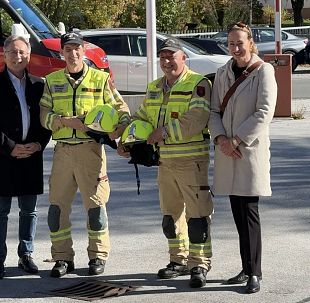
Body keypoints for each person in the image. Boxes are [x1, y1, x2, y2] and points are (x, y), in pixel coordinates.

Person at [118, 38, 213, 288]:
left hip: (191, 160)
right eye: (163, 57)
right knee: (170, 216)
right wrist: (127, 140)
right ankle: (178, 260)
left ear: (184, 58)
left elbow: (197, 118)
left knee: (198, 216)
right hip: (165, 162)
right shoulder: (154, 87)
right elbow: (141, 116)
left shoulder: (198, 84)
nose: (167, 61)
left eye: (172, 56)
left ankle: (199, 263)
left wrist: (164, 133)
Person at [39, 32, 130, 278]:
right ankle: (62, 258)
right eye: (68, 49)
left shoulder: (101, 80)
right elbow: (43, 116)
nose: (73, 53)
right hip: (63, 153)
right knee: (57, 209)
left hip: (91, 152)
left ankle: (98, 256)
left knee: (95, 208)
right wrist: (63, 121)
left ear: (83, 51)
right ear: (62, 53)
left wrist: (117, 130)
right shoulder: (52, 81)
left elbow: (122, 110)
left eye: (77, 49)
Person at [208, 22, 277, 294]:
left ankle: (255, 272)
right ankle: (246, 267)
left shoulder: (264, 71)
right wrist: (221, 140)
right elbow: (214, 111)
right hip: (227, 151)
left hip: (248, 150)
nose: (235, 48)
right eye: (231, 44)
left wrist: (236, 140)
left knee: (249, 212)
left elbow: (264, 111)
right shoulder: (222, 72)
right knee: (237, 212)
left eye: (240, 43)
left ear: (251, 43)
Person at [0, 35, 51, 280]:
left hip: (31, 155)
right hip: (2, 157)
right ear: (4, 55)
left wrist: (38, 144)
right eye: (12, 52)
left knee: (29, 211)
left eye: (22, 52)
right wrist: (10, 147)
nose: (17, 56)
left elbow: (46, 120)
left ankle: (26, 255)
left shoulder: (40, 85)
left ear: (29, 54)